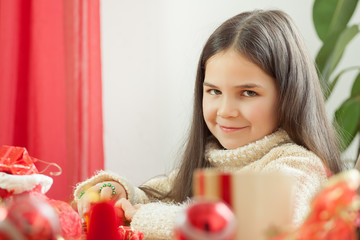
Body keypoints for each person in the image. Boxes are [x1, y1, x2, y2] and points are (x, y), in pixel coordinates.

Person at [74, 9, 343, 239]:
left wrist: (139, 216)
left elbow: (250, 224)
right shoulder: (215, 157)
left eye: (248, 93)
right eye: (214, 91)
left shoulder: (300, 165)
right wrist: (117, 192)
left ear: (289, 96)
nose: (225, 111)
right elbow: (159, 196)